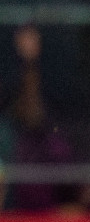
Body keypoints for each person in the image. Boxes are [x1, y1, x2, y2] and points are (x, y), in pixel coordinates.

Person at [7, 25, 75, 212]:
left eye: (32, 38)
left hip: (50, 136)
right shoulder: (10, 72)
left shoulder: (52, 71)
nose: (28, 43)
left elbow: (58, 104)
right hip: (23, 139)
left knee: (60, 155)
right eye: (24, 39)